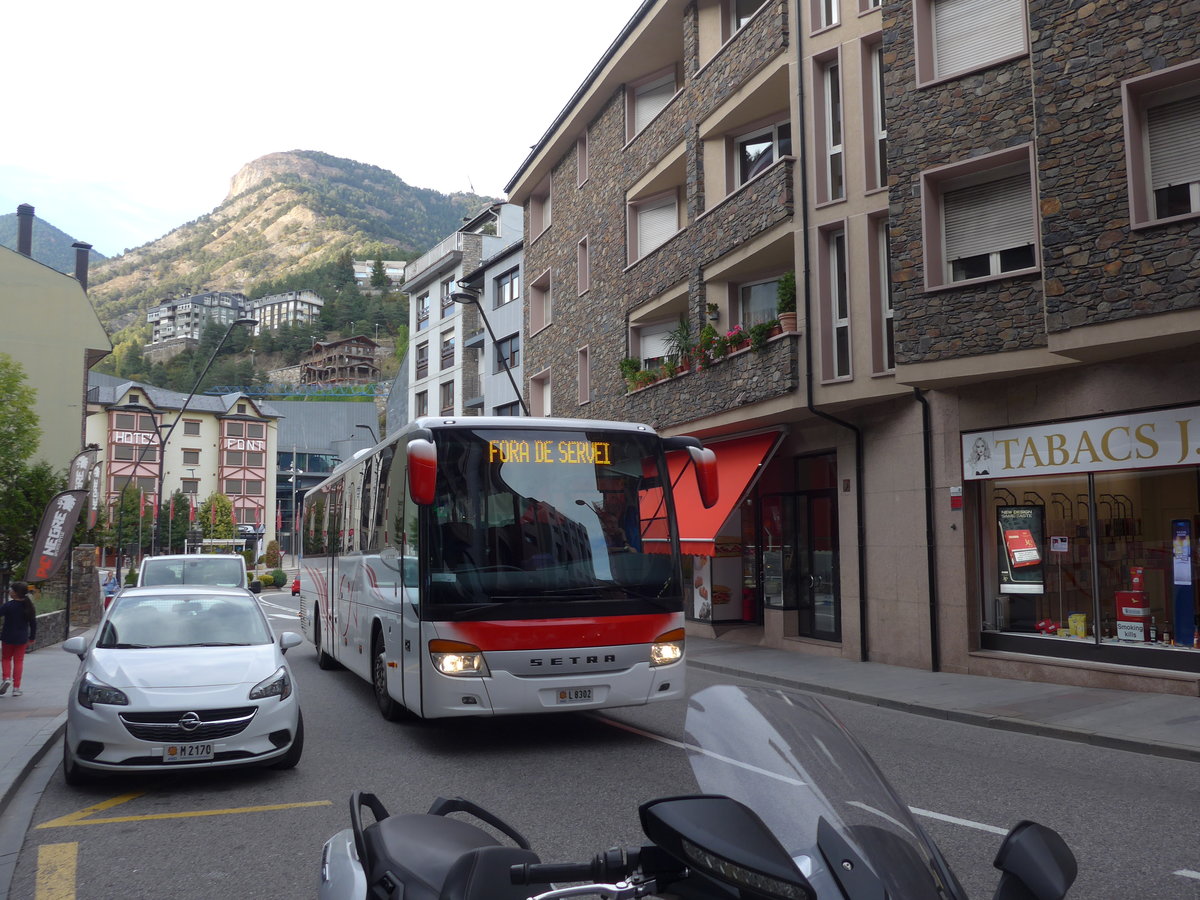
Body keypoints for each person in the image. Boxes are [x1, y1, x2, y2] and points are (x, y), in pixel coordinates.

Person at [0, 581, 38, 697]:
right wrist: (32, 637)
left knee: (6, 658)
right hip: (22, 638)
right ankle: (16, 688)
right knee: (18, 661)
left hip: (7, 637)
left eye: (11, 590)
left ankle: (6, 678)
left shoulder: (8, 606)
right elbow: (33, 623)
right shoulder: (28, 606)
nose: (10, 591)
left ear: (15, 593)